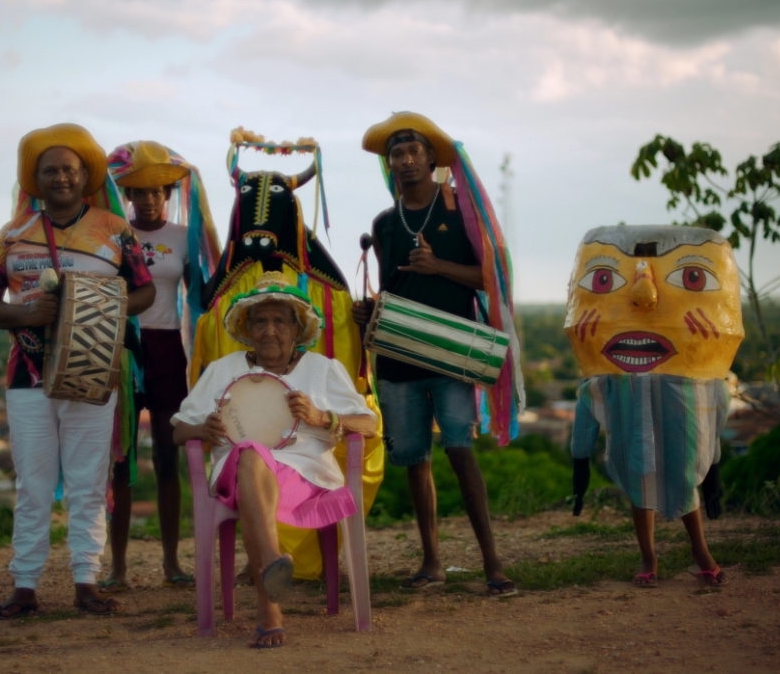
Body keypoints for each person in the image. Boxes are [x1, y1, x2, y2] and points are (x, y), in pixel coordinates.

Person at [0, 124, 156, 617]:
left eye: (69, 169)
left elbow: (146, 292)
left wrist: (99, 311)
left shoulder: (115, 230)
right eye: (50, 170)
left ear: (84, 177)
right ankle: (25, 586)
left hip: (94, 371)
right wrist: (23, 315)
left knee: (88, 481)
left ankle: (86, 582)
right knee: (32, 483)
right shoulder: (11, 236)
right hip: (25, 377)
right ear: (33, 179)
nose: (60, 178)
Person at [352, 112, 520, 596]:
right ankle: (431, 562)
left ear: (431, 160)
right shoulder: (384, 223)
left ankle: (494, 564)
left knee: (462, 452)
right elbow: (393, 287)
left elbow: (491, 278)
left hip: (452, 356)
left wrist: (438, 264)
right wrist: (372, 312)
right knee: (413, 459)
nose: (404, 161)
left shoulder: (459, 212)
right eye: (396, 155)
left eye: (413, 153)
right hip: (400, 359)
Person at [172, 272, 377, 648]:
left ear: (297, 329)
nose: (270, 331)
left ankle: (268, 603)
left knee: (251, 454)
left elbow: (368, 423)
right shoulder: (223, 369)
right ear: (246, 328)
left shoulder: (322, 368)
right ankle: (272, 565)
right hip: (236, 476)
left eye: (280, 321)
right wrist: (203, 428)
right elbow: (178, 431)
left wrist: (322, 418)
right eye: (260, 321)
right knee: (249, 453)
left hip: (304, 475)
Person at [566, 225, 744, 588]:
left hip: (680, 388)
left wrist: (714, 471)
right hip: (626, 385)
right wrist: (579, 461)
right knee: (638, 478)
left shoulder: (699, 385)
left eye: (693, 277)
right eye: (603, 279)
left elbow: (715, 415)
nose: (644, 295)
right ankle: (648, 556)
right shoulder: (608, 378)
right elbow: (587, 401)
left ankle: (701, 552)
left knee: (682, 470)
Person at [100, 140, 212, 591]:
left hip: (168, 352)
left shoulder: (184, 236)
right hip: (121, 350)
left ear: (168, 194)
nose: (147, 200)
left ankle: (171, 563)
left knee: (170, 458)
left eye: (156, 192)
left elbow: (202, 297)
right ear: (126, 197)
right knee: (121, 462)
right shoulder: (110, 235)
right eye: (138, 193)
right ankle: (118, 568)